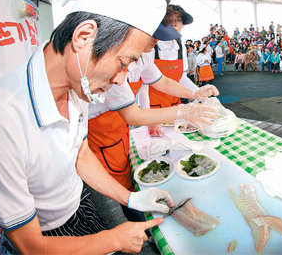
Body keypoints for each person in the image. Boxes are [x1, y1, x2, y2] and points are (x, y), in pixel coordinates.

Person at [0, 0, 178, 254]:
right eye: (123, 63)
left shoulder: (78, 81)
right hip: (46, 236)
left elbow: (80, 152)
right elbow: (30, 246)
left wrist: (129, 197)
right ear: (84, 37)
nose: (121, 79)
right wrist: (115, 240)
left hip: (79, 205)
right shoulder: (2, 117)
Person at [87, 13, 219, 230]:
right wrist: (183, 111)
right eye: (153, 35)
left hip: (119, 128)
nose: (158, 40)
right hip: (101, 131)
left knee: (128, 180)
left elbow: (162, 82)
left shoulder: (145, 55)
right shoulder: (117, 60)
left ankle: (135, 219)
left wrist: (194, 94)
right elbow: (134, 114)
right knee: (111, 193)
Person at [145, 4, 197, 109]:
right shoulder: (150, 46)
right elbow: (144, 85)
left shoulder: (180, 46)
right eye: (169, 20)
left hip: (174, 105)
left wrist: (199, 92)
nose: (174, 24)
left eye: (178, 20)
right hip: (151, 106)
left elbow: (182, 77)